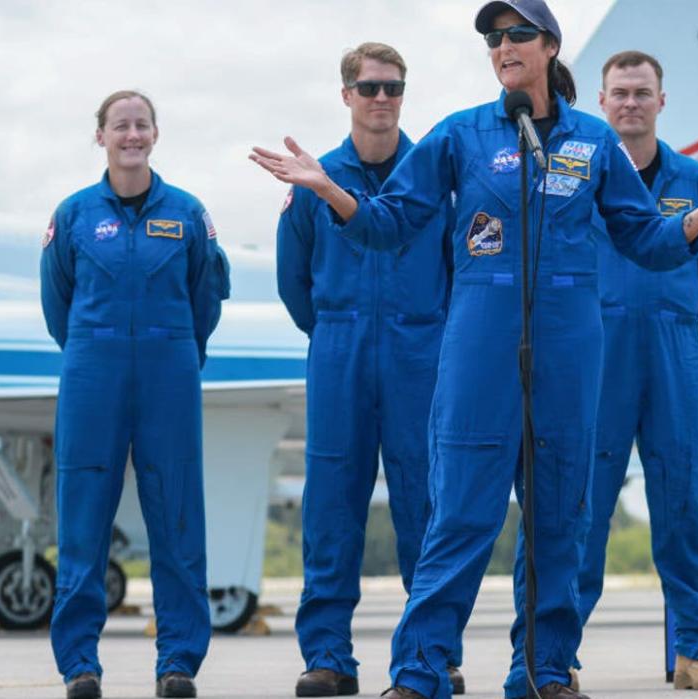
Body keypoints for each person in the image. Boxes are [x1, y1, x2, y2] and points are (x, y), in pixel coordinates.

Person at [250, 2, 698, 698]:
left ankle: (540, 668)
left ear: (548, 47)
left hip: (569, 347)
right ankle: (420, 671)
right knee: (459, 514)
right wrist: (330, 189)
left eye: (515, 34)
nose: (501, 45)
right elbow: (390, 226)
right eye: (492, 37)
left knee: (559, 516)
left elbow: (646, 241)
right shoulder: (460, 136)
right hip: (481, 341)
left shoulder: (593, 143)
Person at [276, 43, 464, 698]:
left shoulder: (435, 178)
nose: (382, 99)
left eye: (393, 88)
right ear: (347, 94)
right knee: (331, 504)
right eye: (370, 87)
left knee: (428, 506)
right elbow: (295, 283)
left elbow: (459, 269)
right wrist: (338, 330)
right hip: (340, 351)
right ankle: (328, 656)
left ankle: (433, 653)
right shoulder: (313, 179)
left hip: (421, 353)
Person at [40, 90, 231, 699]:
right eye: (119, 126)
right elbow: (56, 304)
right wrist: (94, 349)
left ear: (155, 134)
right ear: (100, 136)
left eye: (141, 125)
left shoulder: (188, 212)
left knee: (176, 516)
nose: (131, 135)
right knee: (82, 520)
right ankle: (79, 665)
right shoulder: (71, 216)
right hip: (91, 370)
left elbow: (206, 297)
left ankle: (177, 662)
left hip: (169, 368)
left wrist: (175, 351)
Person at [574, 50, 698, 691]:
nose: (631, 103)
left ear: (661, 102)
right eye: (620, 93)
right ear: (602, 100)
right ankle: (556, 648)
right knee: (579, 508)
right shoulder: (577, 177)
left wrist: (677, 314)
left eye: (643, 93)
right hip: (596, 360)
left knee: (682, 504)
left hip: (672, 352)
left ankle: (697, 648)